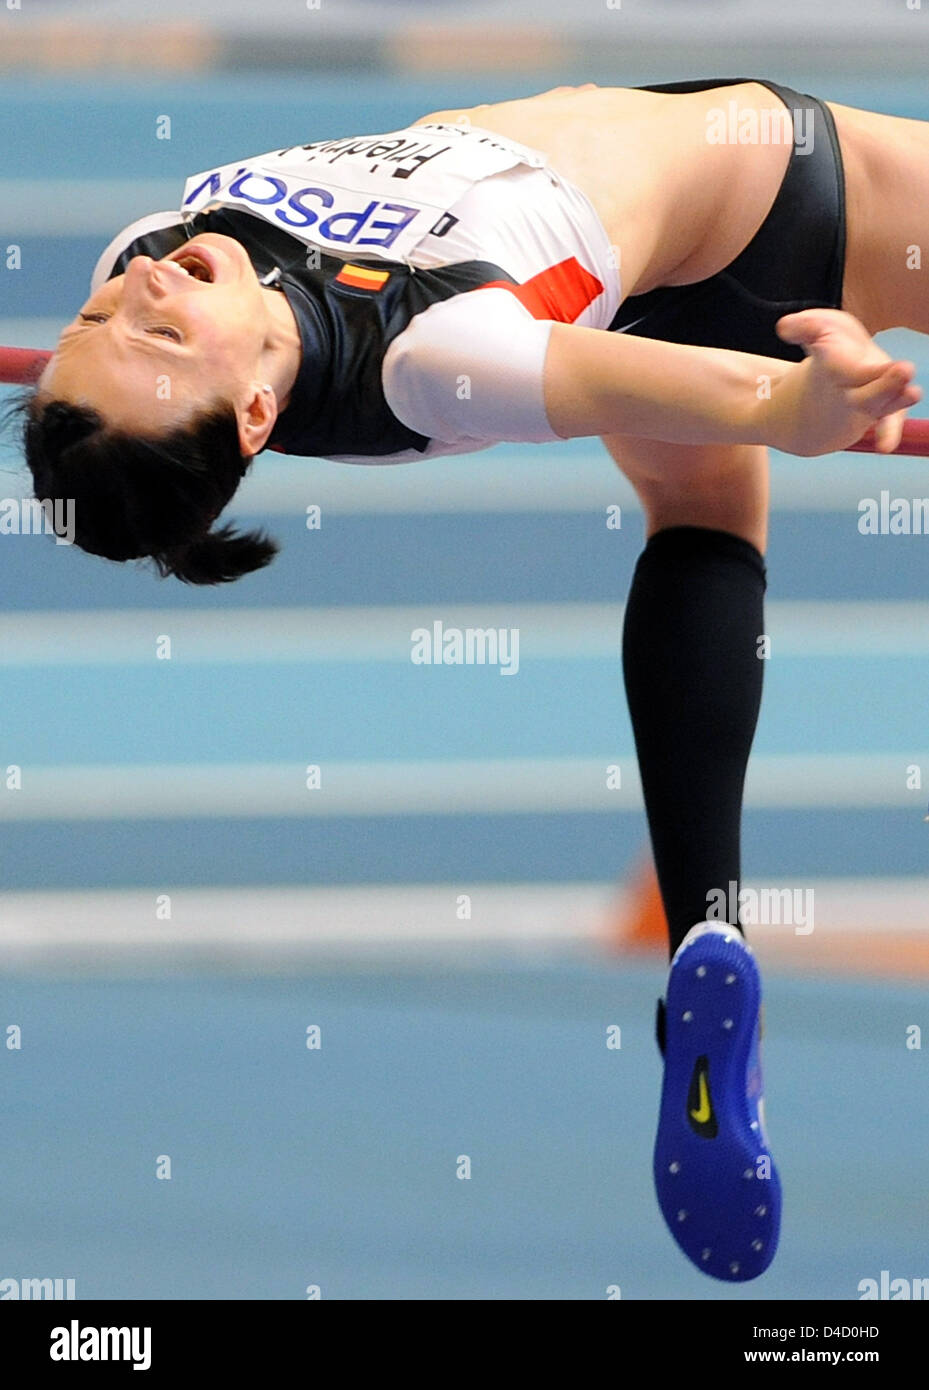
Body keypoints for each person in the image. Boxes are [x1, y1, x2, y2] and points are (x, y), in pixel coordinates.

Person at [11, 77, 927, 1282]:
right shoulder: (442, 357)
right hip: (776, 197)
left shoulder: (148, 250)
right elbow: (744, 398)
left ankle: (707, 931)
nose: (142, 288)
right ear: (251, 412)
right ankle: (705, 938)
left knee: (700, 507)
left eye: (93, 323)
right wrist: (800, 401)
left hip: (641, 278)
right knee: (717, 463)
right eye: (163, 333)